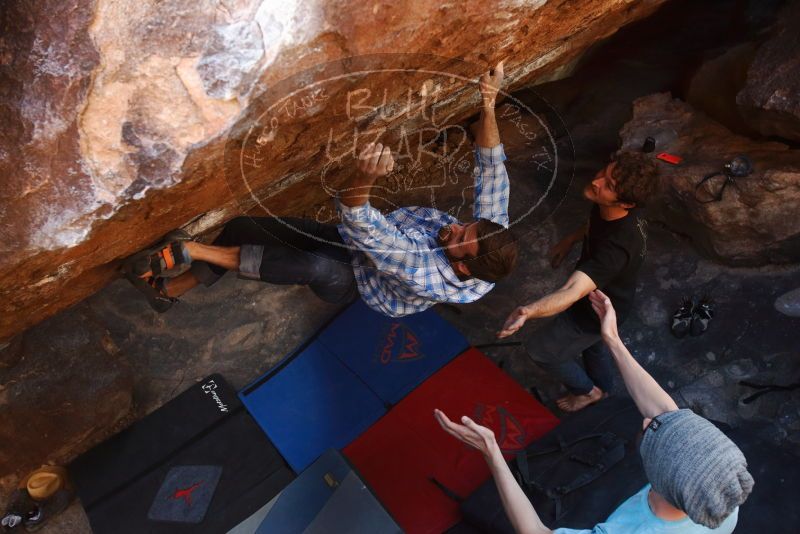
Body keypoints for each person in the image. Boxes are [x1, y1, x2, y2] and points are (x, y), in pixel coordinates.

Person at [124, 61, 518, 317]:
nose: (455, 227)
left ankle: (188, 250)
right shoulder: (489, 236)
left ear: (462, 267)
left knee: (312, 266)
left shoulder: (424, 272)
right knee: (243, 227)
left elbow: (363, 222)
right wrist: (488, 101)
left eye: (459, 240)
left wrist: (365, 176)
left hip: (358, 280)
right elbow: (492, 168)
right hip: (350, 241)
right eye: (466, 226)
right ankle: (168, 291)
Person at [435, 290, 753, 534]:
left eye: (654, 430)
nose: (648, 418)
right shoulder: (720, 493)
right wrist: (612, 339)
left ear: (658, 474)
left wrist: (492, 451)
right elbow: (664, 409)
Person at [497, 152, 659, 411]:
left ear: (627, 203)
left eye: (609, 185)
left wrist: (528, 311)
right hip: (612, 302)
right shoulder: (612, 209)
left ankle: (587, 392)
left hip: (593, 313)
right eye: (604, 172)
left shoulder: (614, 251)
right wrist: (570, 240)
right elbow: (594, 223)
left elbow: (572, 290)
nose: (596, 182)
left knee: (540, 350)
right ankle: (604, 389)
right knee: (595, 347)